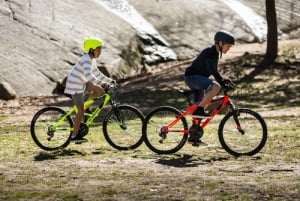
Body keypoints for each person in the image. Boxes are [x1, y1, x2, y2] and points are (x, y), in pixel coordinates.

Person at [64, 37, 116, 143]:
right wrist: (102, 83)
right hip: (76, 85)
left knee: (99, 91)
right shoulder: (86, 60)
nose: (100, 52)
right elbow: (89, 75)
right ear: (92, 49)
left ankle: (86, 107)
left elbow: (96, 73)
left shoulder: (92, 59)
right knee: (80, 112)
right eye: (98, 50)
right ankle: (74, 136)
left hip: (82, 82)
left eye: (100, 50)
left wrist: (109, 80)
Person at [184, 30, 235, 119]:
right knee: (216, 86)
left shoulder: (215, 53)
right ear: (220, 43)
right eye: (228, 46)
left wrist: (224, 79)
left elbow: (214, 71)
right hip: (192, 77)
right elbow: (211, 70)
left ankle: (195, 130)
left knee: (200, 109)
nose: (228, 49)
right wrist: (222, 82)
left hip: (198, 79)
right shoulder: (209, 52)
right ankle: (199, 110)